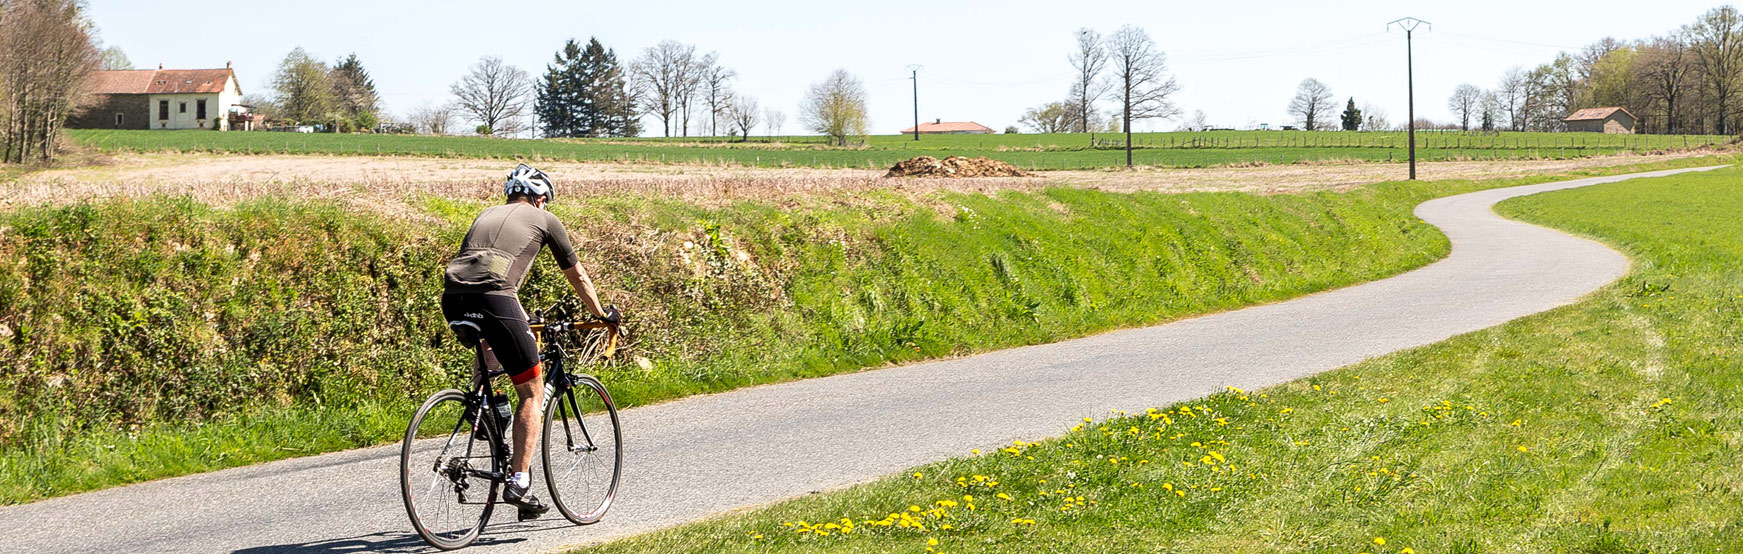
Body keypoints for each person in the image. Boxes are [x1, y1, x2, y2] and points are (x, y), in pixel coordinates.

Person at [441, 163, 619, 518]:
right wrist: (601, 314)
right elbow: (577, 275)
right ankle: (519, 481)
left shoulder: (487, 214)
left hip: (453, 296)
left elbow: (486, 274)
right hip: (495, 299)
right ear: (540, 198)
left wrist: (520, 319)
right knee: (533, 392)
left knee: (492, 348)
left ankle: (488, 410)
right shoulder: (546, 221)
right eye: (546, 200)